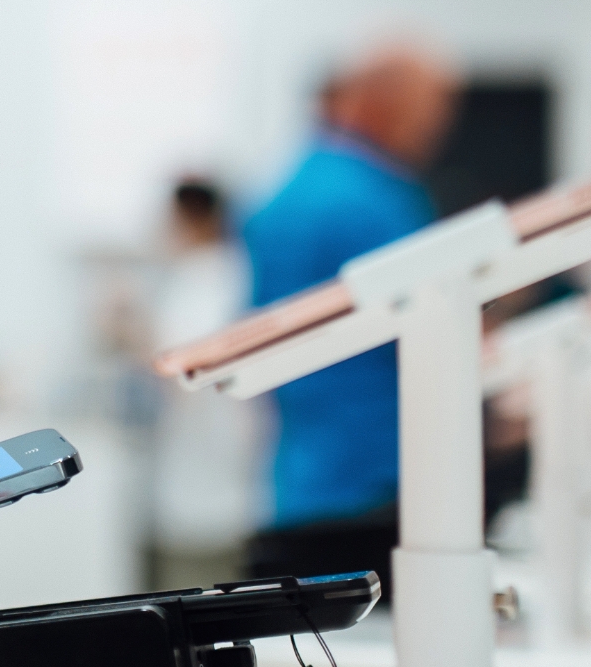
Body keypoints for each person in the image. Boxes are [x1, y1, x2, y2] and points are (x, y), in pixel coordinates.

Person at [238, 47, 457, 576]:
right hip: (374, 479)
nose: (436, 130)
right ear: (385, 102)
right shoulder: (377, 200)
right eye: (429, 110)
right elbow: (435, 331)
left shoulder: (287, 191)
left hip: (300, 480)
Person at [145, 180, 255, 588]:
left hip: (203, 482)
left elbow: (176, 376)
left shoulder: (195, 282)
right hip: (238, 475)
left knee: (195, 598)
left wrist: (130, 335)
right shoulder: (240, 271)